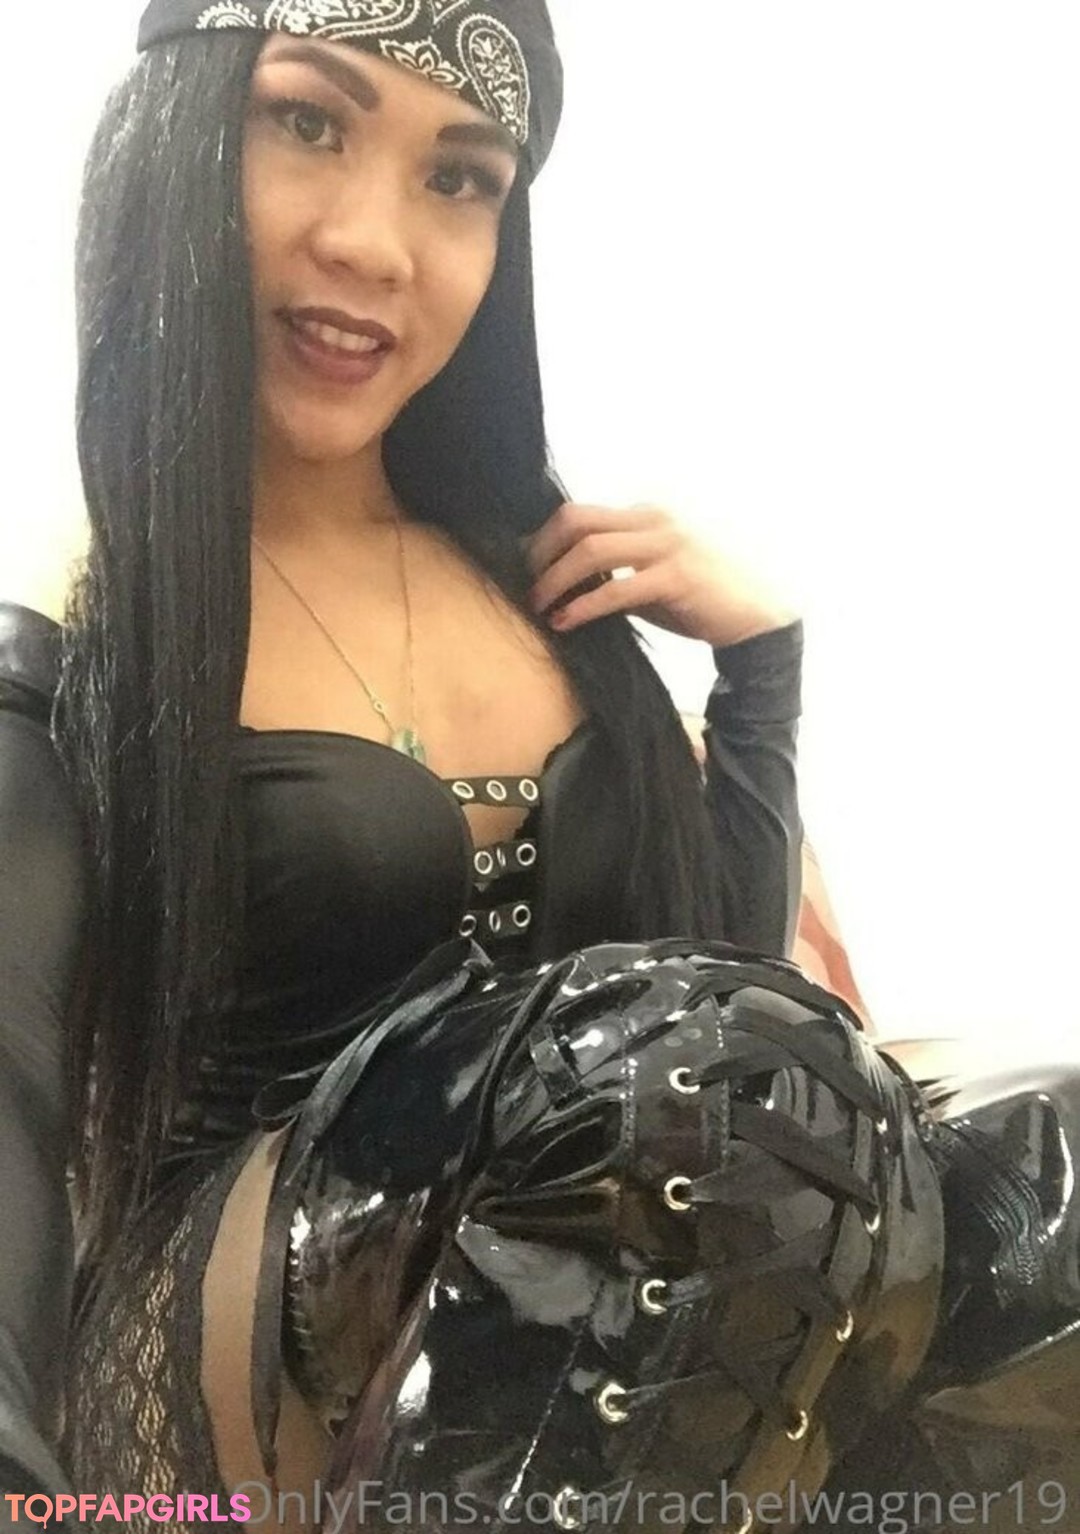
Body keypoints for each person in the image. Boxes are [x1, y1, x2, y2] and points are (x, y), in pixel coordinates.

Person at [0, 0, 811, 1521]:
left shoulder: (546, 590)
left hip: (579, 1372)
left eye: (459, 178)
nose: (375, 244)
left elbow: (740, 1055)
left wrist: (760, 680)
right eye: (307, 122)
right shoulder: (76, 618)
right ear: (175, 140)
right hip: (233, 1367)